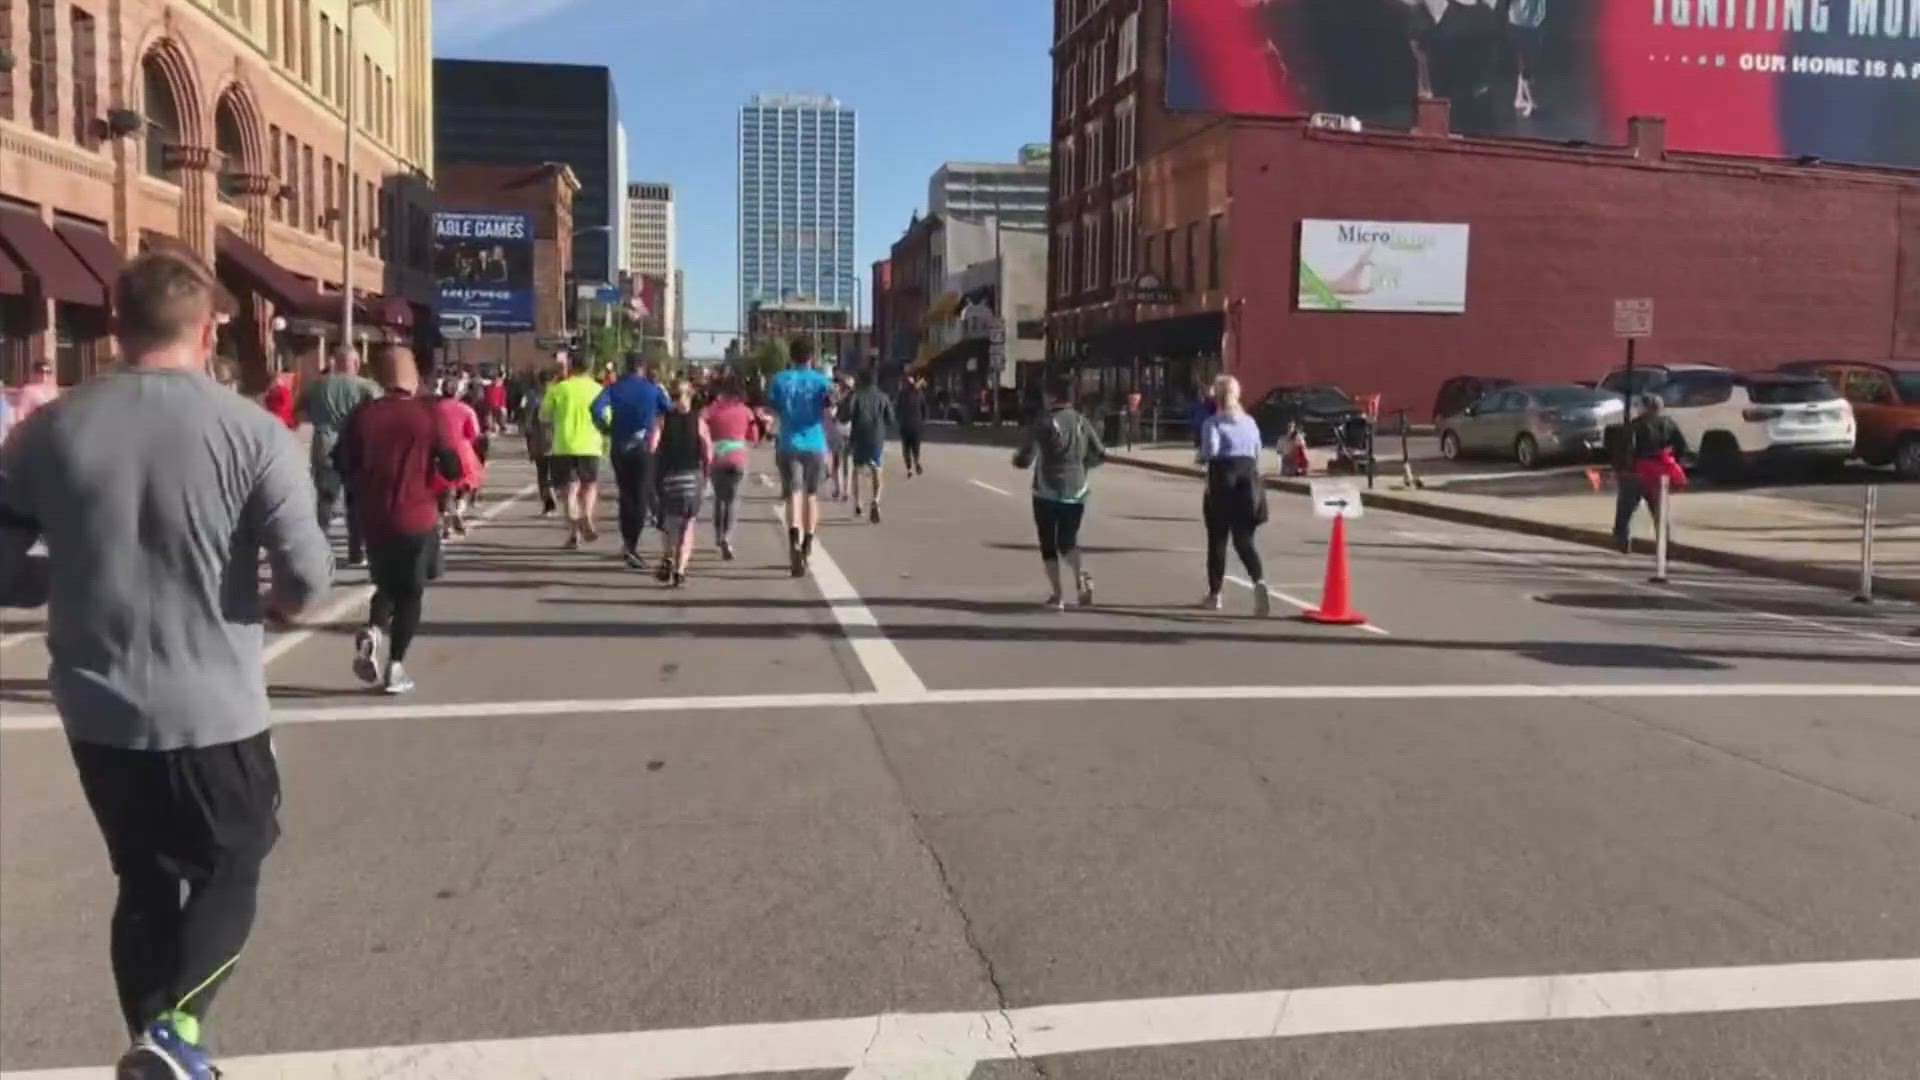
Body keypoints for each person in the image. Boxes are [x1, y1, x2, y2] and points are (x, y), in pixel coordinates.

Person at [0, 251, 332, 1080]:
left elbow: (4, 572)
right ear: (210, 325)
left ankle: (162, 1048)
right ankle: (174, 1034)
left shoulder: (44, 430)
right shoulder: (252, 430)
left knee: (142, 879)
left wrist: (62, 571)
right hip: (213, 705)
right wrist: (279, 607)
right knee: (233, 867)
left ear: (114, 322)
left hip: (98, 706)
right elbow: (310, 576)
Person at [334, 344, 465, 696]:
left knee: (386, 583)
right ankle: (395, 666)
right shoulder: (428, 415)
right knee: (411, 593)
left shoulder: (363, 416)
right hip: (416, 515)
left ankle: (375, 630)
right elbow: (452, 466)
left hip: (373, 517)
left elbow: (341, 462)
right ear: (413, 376)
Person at [1013, 373, 1105, 610]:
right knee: (1068, 539)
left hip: (1046, 489)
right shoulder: (1081, 421)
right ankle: (1080, 577)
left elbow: (1026, 457)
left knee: (1048, 541)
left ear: (1051, 396)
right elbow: (1100, 453)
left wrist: (1019, 459)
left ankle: (1058, 595)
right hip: (1076, 489)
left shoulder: (1045, 422)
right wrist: (1082, 466)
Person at [1196, 374, 1273, 615]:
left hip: (1222, 481)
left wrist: (1201, 457)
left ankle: (1215, 594)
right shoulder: (1250, 422)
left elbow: (1212, 450)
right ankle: (1258, 580)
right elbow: (1257, 450)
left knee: (1218, 540)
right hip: (1248, 480)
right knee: (1244, 540)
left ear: (1216, 398)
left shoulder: (1213, 423)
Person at [298, 345, 380, 567]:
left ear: (333, 361)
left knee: (324, 500)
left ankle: (317, 549)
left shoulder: (316, 386)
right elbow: (379, 414)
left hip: (324, 443)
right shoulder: (367, 387)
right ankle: (356, 552)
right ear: (355, 363)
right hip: (355, 446)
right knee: (355, 501)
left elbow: (300, 411)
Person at [592, 355, 673, 570]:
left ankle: (628, 541)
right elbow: (668, 408)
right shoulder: (651, 389)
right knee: (640, 497)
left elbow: (596, 407)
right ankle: (631, 545)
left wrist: (605, 427)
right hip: (643, 449)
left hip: (619, 447)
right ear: (642, 368)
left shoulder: (614, 388)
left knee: (626, 495)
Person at [766, 337, 836, 577]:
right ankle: (808, 542)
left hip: (788, 442)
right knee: (812, 495)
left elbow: (772, 408)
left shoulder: (780, 380)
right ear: (811, 357)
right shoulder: (821, 381)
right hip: (815, 442)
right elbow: (830, 409)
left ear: (791, 356)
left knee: (792, 494)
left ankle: (793, 536)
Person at [540, 353, 609, 549]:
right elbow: (607, 418)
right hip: (590, 445)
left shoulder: (559, 388)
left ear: (572, 366)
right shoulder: (599, 390)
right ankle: (585, 516)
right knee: (588, 486)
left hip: (564, 445)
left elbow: (544, 415)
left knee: (569, 490)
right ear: (591, 367)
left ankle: (574, 527)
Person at [648, 377, 712, 586]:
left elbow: (652, 446)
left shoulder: (662, 419)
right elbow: (707, 452)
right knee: (688, 524)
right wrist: (707, 474)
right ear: (690, 396)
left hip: (667, 477)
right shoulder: (698, 421)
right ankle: (680, 569)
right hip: (691, 477)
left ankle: (667, 555)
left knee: (668, 522)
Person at [1610, 393, 1689, 552]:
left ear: (1644, 407)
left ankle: (1622, 541)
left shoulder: (1634, 426)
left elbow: (1626, 449)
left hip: (1636, 472)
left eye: (1639, 405)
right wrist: (1670, 461)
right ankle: (1664, 544)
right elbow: (1681, 446)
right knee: (1659, 510)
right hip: (1659, 473)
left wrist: (1621, 469)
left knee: (1625, 509)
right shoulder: (1668, 424)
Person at [702, 376, 760, 561]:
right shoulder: (745, 411)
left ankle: (719, 536)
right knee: (733, 499)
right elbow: (754, 437)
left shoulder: (710, 411)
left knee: (719, 498)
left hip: (717, 458)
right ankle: (728, 536)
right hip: (738, 458)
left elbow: (700, 429)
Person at [432, 378, 486, 537]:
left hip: (440, 450)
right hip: (462, 451)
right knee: (468, 484)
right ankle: (459, 509)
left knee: (443, 488)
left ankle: (446, 522)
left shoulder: (433, 409)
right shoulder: (465, 409)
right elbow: (474, 433)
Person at [844, 369, 896, 523]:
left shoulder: (857, 396)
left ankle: (858, 503)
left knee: (857, 470)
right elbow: (891, 419)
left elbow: (847, 415)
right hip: (876, 438)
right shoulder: (883, 397)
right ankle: (875, 499)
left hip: (859, 436)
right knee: (877, 468)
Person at [522, 367, 559, 516]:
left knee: (542, 472)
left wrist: (528, 439)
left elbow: (528, 423)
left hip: (539, 439)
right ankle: (550, 494)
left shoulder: (533, 397)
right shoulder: (558, 395)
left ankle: (547, 500)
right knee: (553, 471)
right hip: (557, 438)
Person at [827, 372, 855, 501]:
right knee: (844, 461)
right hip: (846, 429)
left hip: (842, 428)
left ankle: (842, 490)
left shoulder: (841, 397)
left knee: (840, 461)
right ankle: (843, 490)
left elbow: (832, 411)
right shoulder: (842, 396)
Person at [896, 376, 928, 476]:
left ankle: (909, 468)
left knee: (906, 448)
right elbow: (924, 408)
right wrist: (923, 420)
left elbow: (897, 410)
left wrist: (899, 420)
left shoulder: (901, 394)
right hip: (916, 425)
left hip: (905, 425)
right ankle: (916, 461)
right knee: (916, 446)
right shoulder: (919, 394)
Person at [12, 359, 59, 425]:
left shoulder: (52, 390)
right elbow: (20, 413)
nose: (44, 375)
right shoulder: (28, 390)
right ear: (35, 373)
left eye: (48, 372)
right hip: (35, 428)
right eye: (41, 372)